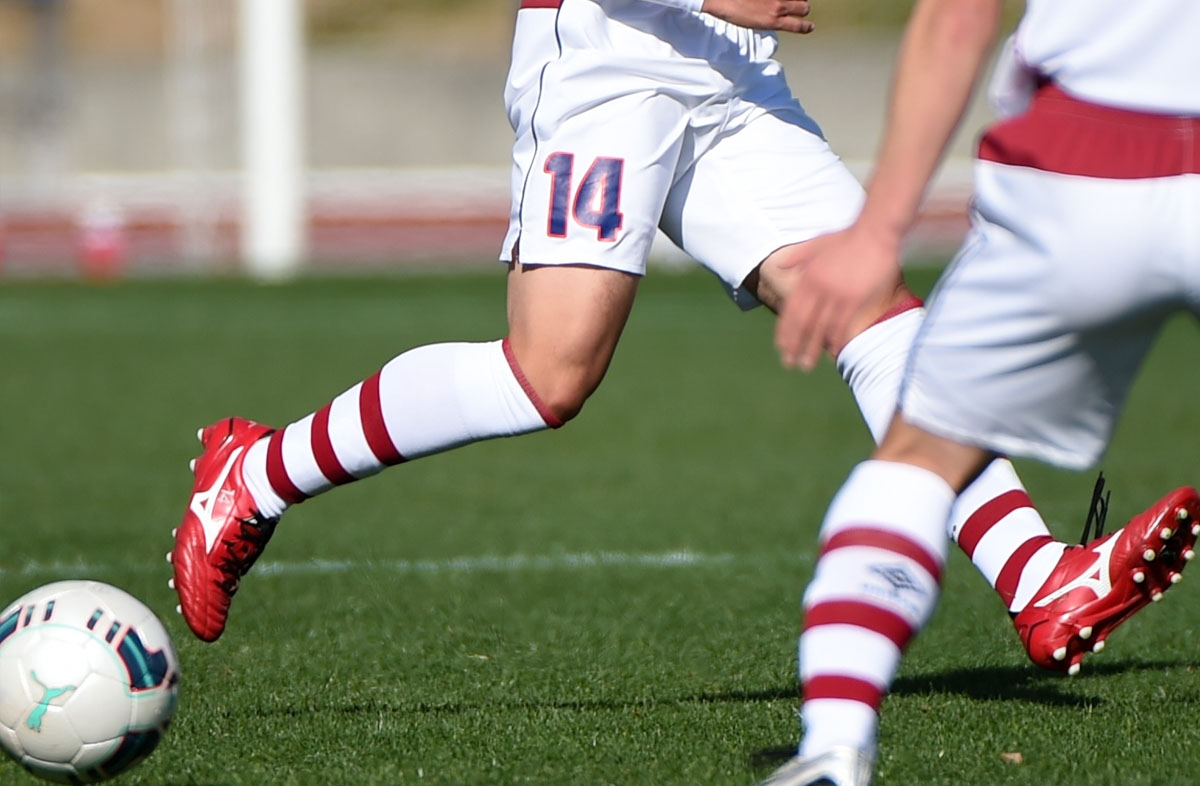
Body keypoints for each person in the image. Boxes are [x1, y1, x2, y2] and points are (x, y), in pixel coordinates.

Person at [172, 0, 1184, 719]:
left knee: (870, 305)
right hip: (610, 52)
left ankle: (1039, 579)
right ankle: (252, 475)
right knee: (548, 373)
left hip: (731, 69)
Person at [766, 0, 1200, 783]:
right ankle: (1039, 578)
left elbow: (957, 17)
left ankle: (833, 748)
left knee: (919, 459)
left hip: (1082, 154)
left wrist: (879, 229)